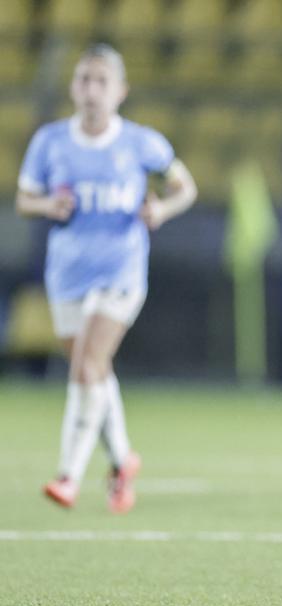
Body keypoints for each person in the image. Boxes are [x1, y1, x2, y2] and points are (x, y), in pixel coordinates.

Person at [16, 44, 198, 513]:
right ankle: (122, 461)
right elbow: (24, 199)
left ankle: (68, 475)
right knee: (93, 371)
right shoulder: (51, 142)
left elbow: (185, 187)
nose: (91, 90)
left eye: (101, 81)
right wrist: (46, 206)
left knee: (86, 366)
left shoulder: (142, 143)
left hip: (121, 270)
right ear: (73, 87)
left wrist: (161, 207)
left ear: (121, 90)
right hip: (68, 272)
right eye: (83, 80)